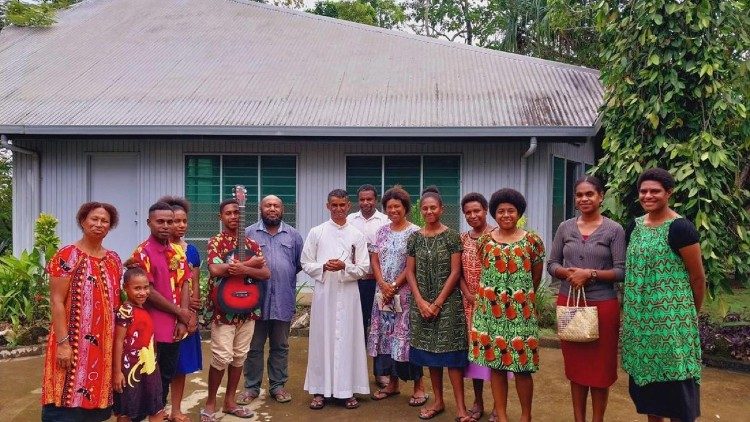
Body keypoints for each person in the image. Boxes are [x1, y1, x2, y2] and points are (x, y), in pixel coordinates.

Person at [621, 168, 705, 422]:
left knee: (677, 399)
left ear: (669, 193)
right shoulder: (633, 227)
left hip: (672, 329)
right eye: (643, 191)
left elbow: (698, 277)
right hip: (641, 328)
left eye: (655, 191)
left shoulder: (681, 228)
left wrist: (688, 316)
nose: (648, 195)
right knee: (651, 400)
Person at [547, 176, 625, 422]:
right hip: (570, 304)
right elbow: (552, 264)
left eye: (589, 194)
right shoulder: (565, 228)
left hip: (602, 306)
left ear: (601, 196)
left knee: (601, 370)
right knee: (576, 368)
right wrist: (567, 273)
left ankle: (597, 419)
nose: (584, 199)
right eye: (579, 195)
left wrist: (590, 274)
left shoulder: (614, 230)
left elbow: (622, 271)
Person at [41, 202, 122, 422]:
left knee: (95, 404)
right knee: (65, 397)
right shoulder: (67, 256)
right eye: (94, 219)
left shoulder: (113, 259)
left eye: (104, 221)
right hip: (72, 345)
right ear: (83, 221)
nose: (98, 224)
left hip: (102, 348)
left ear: (110, 226)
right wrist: (63, 344)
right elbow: (57, 301)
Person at [470, 188, 545, 422]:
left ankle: (525, 416)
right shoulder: (484, 241)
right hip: (489, 315)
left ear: (519, 212)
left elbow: (535, 278)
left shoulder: (532, 241)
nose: (505, 215)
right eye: (500, 211)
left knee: (523, 369)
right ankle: (501, 416)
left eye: (510, 210)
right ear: (494, 214)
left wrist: (517, 299)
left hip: (521, 315)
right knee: (496, 367)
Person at [200, 199, 271, 422]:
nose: (233, 216)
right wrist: (249, 265)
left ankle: (230, 402)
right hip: (224, 310)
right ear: (221, 217)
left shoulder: (252, 244)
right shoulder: (215, 242)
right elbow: (214, 269)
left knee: (239, 357)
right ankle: (211, 403)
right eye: (228, 213)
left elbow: (266, 273)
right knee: (221, 357)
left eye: (236, 213)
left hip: (248, 308)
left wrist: (243, 266)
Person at [302, 189, 371, 410]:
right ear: (327, 206)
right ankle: (319, 390)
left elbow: (364, 267)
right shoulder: (317, 232)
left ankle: (346, 390)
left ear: (348, 206)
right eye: (334, 205)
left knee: (348, 340)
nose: (339, 209)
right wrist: (323, 266)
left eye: (342, 205)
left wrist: (345, 267)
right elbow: (305, 262)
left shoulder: (357, 235)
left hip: (349, 295)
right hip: (325, 294)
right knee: (322, 340)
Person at [405, 186, 469, 421]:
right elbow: (409, 273)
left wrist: (438, 302)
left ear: (441, 209)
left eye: (433, 207)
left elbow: (455, 272)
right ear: (420, 211)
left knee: (451, 357)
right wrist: (421, 302)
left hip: (449, 304)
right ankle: (438, 402)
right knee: (430, 356)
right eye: (425, 208)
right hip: (420, 304)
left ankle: (461, 407)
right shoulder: (414, 238)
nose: (429, 211)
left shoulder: (452, 236)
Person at [366, 186, 427, 406]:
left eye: (397, 206)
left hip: (405, 295)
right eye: (389, 207)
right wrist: (382, 283)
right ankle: (392, 384)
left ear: (405, 208)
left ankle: (419, 387)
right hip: (382, 295)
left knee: (407, 339)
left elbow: (414, 264)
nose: (393, 210)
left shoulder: (415, 232)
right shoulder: (381, 231)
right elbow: (374, 259)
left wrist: (394, 285)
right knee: (387, 337)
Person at [239, 195, 303, 405]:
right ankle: (251, 387)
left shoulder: (293, 235)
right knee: (253, 347)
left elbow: (298, 264)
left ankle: (278, 386)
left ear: (282, 209)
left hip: (283, 300)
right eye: (268, 205)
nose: (272, 209)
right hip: (255, 302)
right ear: (261, 208)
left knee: (280, 346)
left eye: (276, 205)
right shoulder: (248, 233)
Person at [128, 202, 192, 412]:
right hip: (151, 327)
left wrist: (182, 319)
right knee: (147, 376)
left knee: (166, 375)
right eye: (160, 221)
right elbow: (149, 292)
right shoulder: (142, 253)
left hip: (174, 327)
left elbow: (184, 283)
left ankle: (159, 413)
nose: (166, 226)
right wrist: (179, 313)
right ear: (149, 223)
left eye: (170, 221)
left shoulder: (177, 251)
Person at [160, 196, 203, 422]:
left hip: (185, 315)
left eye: (184, 221)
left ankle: (176, 410)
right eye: (175, 221)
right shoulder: (156, 250)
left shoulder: (192, 251)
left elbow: (195, 284)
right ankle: (159, 408)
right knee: (158, 365)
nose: (180, 225)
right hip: (162, 314)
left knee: (180, 366)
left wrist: (192, 315)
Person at [347, 184, 389, 387]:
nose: (365, 203)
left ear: (376, 200)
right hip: (355, 282)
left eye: (369, 199)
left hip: (378, 282)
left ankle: (380, 372)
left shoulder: (385, 221)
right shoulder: (349, 221)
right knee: (357, 325)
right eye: (362, 199)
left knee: (379, 326)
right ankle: (357, 372)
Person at [458, 192, 495, 422]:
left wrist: (485, 297)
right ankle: (478, 401)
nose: (473, 215)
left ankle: (498, 406)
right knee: (475, 357)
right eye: (468, 212)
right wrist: (469, 295)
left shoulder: (496, 236)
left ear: (485, 210)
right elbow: (458, 273)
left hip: (494, 306)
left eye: (477, 211)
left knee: (497, 355)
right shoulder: (463, 239)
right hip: (469, 305)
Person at [112, 267, 163, 422]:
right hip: (129, 370)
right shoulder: (126, 310)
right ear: (125, 288)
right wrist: (117, 372)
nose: (142, 292)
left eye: (146, 287)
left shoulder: (143, 308)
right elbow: (119, 341)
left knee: (155, 406)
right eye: (137, 288)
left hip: (149, 367)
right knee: (127, 409)